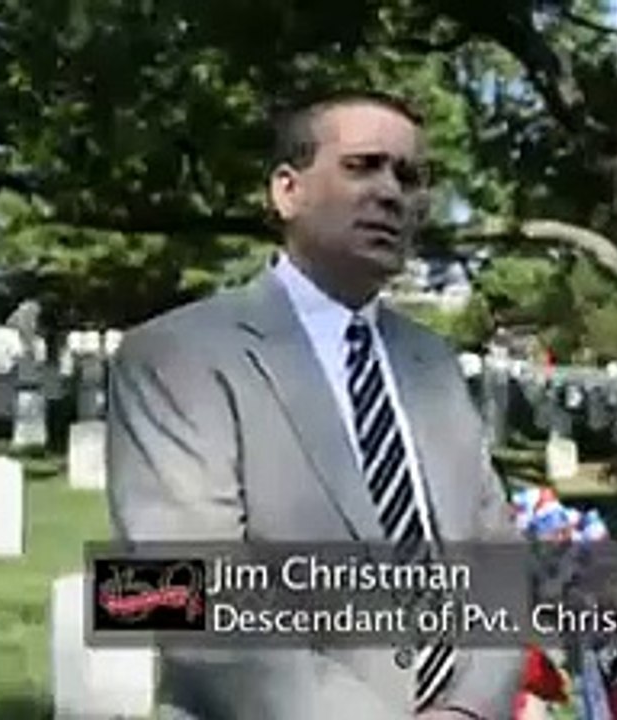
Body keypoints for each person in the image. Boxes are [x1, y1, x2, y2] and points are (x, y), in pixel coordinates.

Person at [106, 91, 524, 719]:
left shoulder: (432, 362)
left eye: (409, 176)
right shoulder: (174, 357)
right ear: (286, 191)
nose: (391, 192)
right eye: (362, 166)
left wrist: (467, 709)